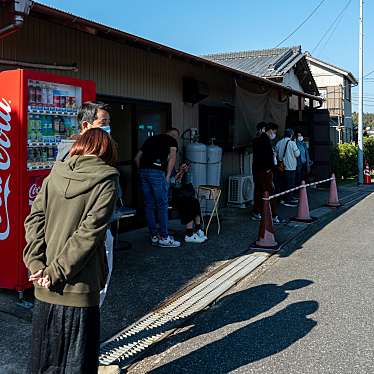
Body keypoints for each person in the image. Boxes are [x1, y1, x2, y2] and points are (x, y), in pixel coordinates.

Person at [23, 128, 119, 374]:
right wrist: (54, 272)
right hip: (80, 286)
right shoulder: (106, 179)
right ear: (106, 153)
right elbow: (89, 234)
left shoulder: (55, 173)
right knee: (77, 362)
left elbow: (34, 219)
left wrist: (36, 264)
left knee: (45, 360)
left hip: (44, 286)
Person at [56, 101, 114, 307]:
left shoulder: (101, 150)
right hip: (83, 228)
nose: (107, 127)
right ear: (85, 126)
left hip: (95, 226)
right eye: (103, 122)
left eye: (108, 122)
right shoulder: (69, 153)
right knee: (90, 283)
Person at [135, 128, 181, 248]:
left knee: (149, 205)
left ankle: (154, 236)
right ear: (175, 136)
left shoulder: (150, 139)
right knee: (162, 205)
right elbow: (172, 158)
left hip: (143, 172)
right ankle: (164, 237)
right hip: (157, 172)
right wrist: (167, 176)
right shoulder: (172, 141)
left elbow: (137, 158)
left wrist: (142, 171)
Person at [252, 122, 283, 224]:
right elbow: (266, 158)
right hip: (265, 171)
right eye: (274, 132)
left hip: (257, 171)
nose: (274, 135)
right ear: (269, 130)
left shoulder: (257, 140)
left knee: (259, 192)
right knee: (269, 193)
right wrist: (270, 168)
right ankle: (272, 215)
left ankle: (257, 212)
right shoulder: (265, 141)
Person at [171, 163, 208, 243]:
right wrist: (180, 173)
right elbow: (173, 185)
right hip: (174, 197)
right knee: (189, 202)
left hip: (183, 196)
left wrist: (186, 172)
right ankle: (189, 234)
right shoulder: (171, 172)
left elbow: (190, 188)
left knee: (195, 201)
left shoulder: (184, 174)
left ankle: (198, 229)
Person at [275, 128, 300, 207]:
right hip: (291, 167)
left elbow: (275, 154)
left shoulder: (279, 143)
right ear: (291, 135)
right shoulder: (292, 143)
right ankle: (288, 200)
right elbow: (297, 154)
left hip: (281, 167)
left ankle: (282, 199)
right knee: (290, 184)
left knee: (282, 184)